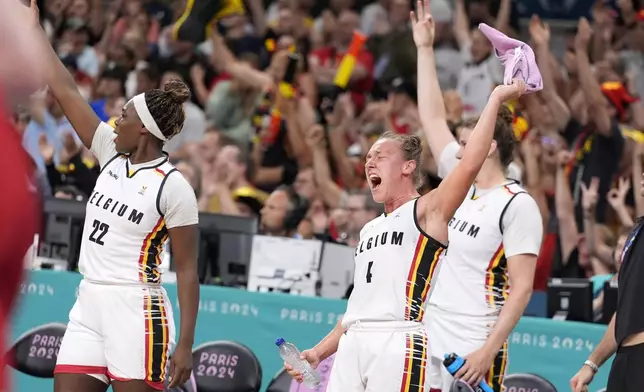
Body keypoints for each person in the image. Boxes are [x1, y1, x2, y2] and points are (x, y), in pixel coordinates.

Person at [283, 12, 526, 392]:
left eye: (380, 156)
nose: (369, 162)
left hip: (399, 341)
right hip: (353, 344)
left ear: (409, 166)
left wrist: (495, 98)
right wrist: (319, 352)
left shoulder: (428, 210)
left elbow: (471, 161)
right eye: (368, 158)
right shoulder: (369, 228)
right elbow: (355, 310)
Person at [25, 2, 200, 391]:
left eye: (125, 116)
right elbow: (66, 88)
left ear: (144, 130)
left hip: (137, 309)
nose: (115, 120)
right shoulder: (109, 151)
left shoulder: (173, 185)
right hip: (89, 301)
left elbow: (188, 270)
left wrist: (185, 344)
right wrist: (36, 34)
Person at [411, 1, 544, 391]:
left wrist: (488, 350)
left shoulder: (517, 205)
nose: (457, 148)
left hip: (473, 344)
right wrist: (424, 48)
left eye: (467, 142)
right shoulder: (457, 177)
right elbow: (433, 119)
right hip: (429, 335)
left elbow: (521, 291)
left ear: (488, 147)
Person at [570, 179, 644, 392]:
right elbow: (625, 309)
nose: (641, 177)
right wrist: (591, 364)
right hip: (624, 360)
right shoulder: (636, 233)